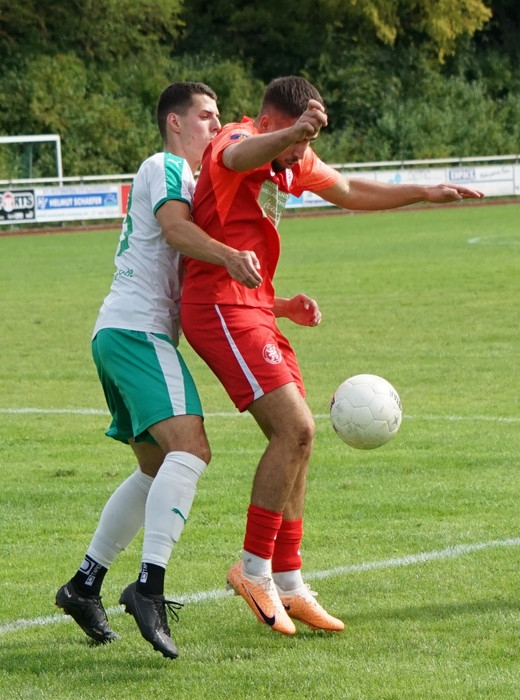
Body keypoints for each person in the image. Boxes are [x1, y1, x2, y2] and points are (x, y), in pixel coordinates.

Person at [179, 75, 484, 636]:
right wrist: (292, 133)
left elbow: (348, 190)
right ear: (268, 122)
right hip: (219, 304)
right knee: (295, 428)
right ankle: (252, 570)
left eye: (306, 144)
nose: (301, 155)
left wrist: (424, 191)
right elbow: (241, 155)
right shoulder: (238, 139)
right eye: (295, 139)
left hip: (256, 305)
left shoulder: (290, 156)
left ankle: (290, 582)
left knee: (300, 439)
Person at [54, 81, 264, 658]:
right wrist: (230, 255)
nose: (215, 127)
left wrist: (276, 303)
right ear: (175, 122)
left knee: (154, 469)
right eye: (206, 116)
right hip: (137, 331)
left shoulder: (189, 182)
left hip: (119, 333)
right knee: (191, 449)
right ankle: (149, 587)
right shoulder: (167, 165)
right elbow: (175, 231)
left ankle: (84, 585)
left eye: (218, 118)